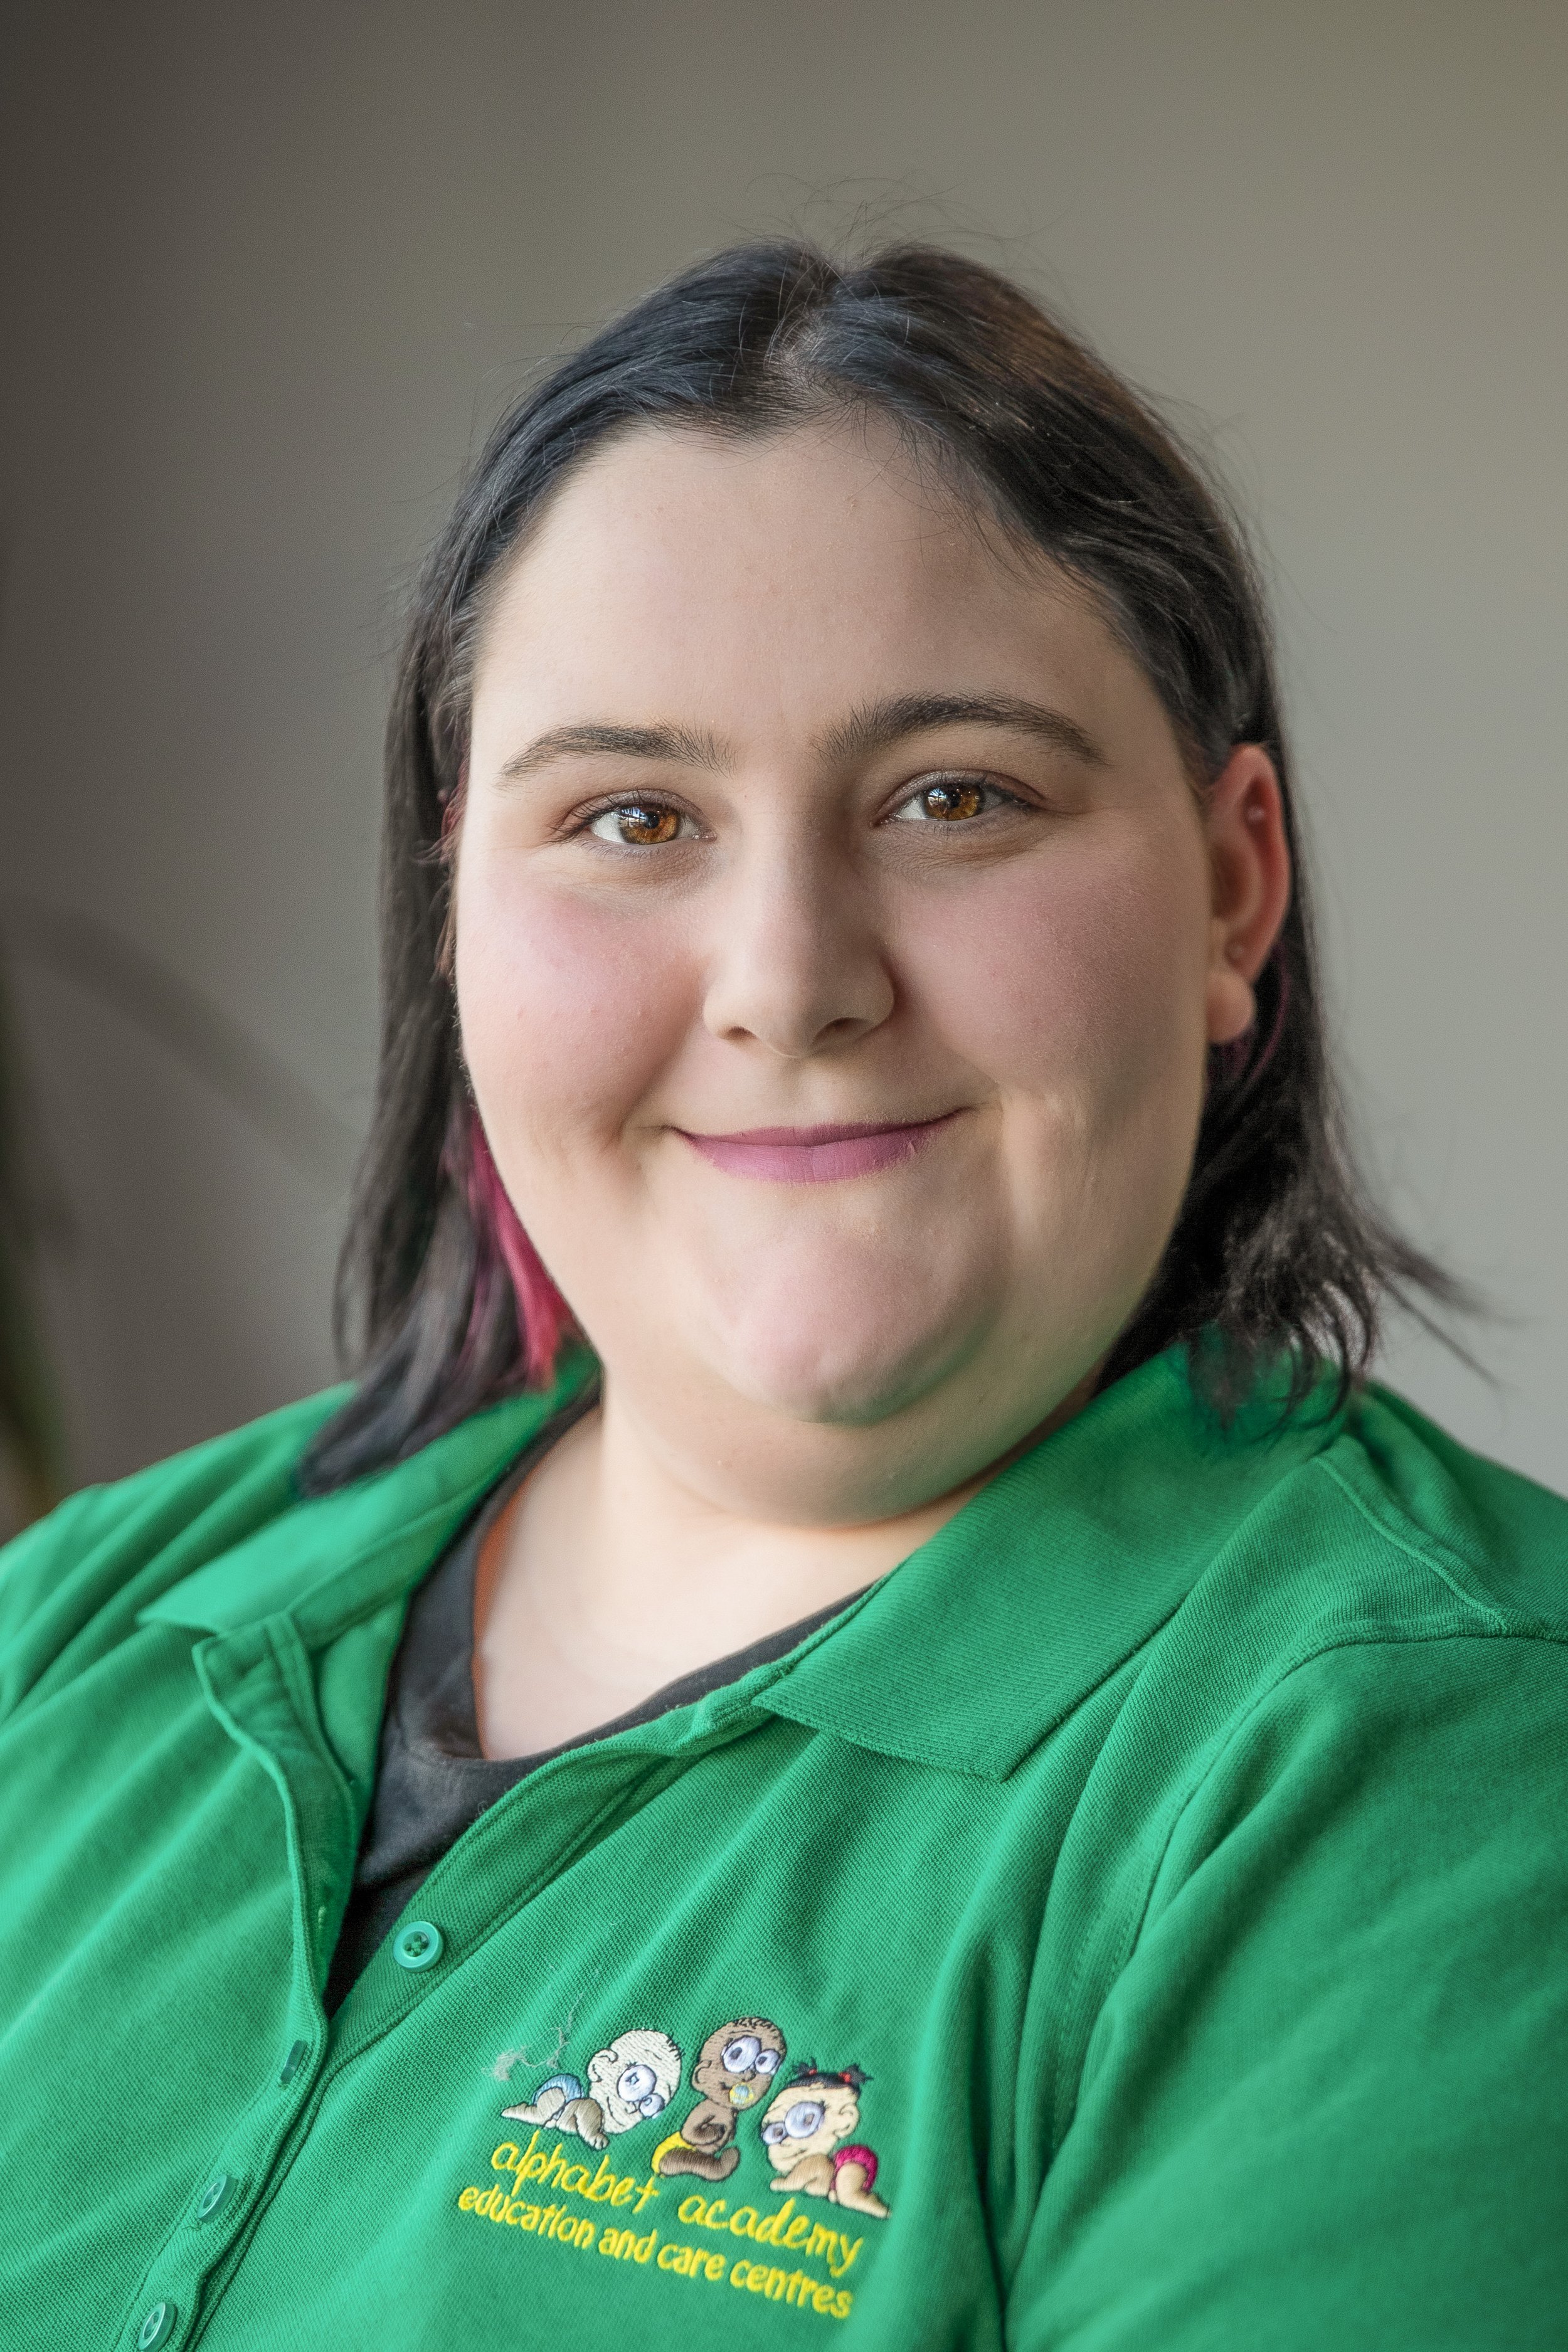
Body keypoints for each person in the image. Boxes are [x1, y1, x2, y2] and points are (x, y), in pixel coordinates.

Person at [0, 240, 1563, 2352]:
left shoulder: (1430, 1769)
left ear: (1230, 887)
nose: (788, 980)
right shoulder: (81, 1632)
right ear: (456, 899)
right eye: (631, 815)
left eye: (952, 798)